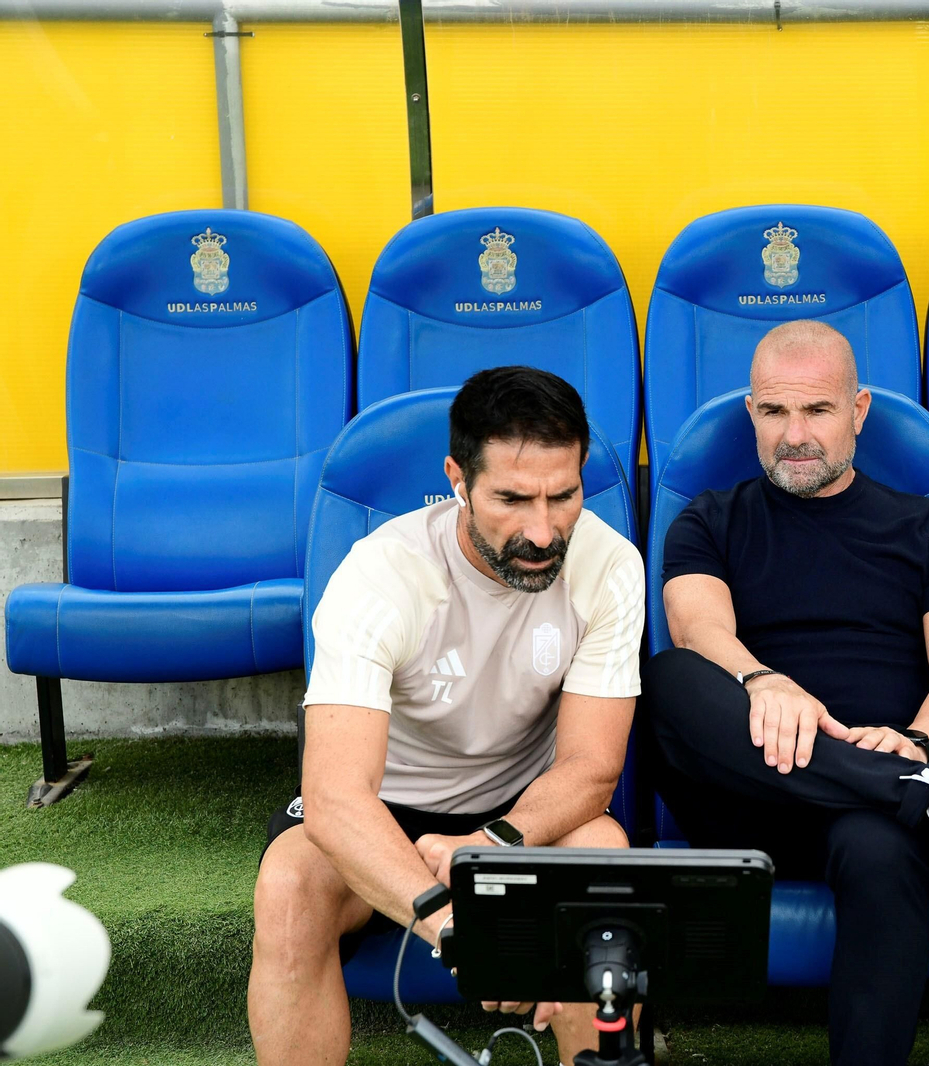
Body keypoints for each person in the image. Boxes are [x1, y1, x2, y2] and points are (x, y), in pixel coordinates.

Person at [641, 319, 929, 1066]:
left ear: (858, 411)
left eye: (817, 410)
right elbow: (696, 627)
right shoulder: (709, 519)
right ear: (751, 414)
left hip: (876, 805)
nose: (794, 434)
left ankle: (909, 786)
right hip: (747, 792)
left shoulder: (924, 527)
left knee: (879, 853)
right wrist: (765, 683)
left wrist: (919, 742)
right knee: (667, 678)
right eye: (774, 412)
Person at [248, 366, 646, 1066]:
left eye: (564, 496)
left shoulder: (610, 565)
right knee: (289, 887)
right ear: (457, 480)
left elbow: (591, 769)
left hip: (517, 808)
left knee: (601, 858)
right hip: (384, 806)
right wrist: (452, 920)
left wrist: (492, 845)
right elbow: (335, 799)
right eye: (512, 499)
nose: (543, 531)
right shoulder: (381, 574)